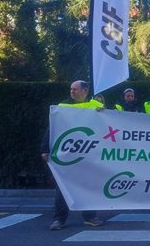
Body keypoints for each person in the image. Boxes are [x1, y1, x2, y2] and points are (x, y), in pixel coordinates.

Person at [41, 80, 104, 230]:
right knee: (63, 187)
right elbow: (52, 128)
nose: (72, 91)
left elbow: (106, 124)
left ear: (85, 91)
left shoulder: (95, 106)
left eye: (75, 89)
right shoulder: (63, 107)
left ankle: (90, 217)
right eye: (71, 89)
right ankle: (59, 219)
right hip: (68, 154)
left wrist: (104, 112)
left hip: (88, 153)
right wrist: (45, 148)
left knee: (87, 185)